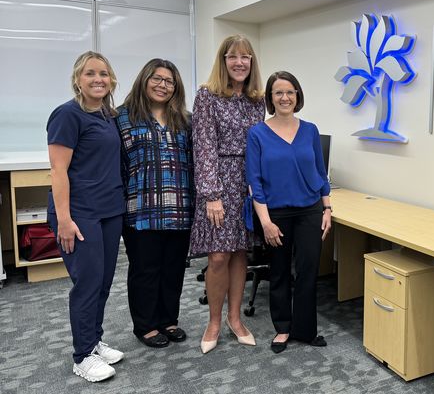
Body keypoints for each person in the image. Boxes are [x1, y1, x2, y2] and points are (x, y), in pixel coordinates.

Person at [47, 51, 125, 382]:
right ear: (78, 79)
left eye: (104, 74)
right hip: (79, 213)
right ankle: (82, 357)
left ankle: (93, 340)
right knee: (87, 283)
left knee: (104, 282)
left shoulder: (108, 115)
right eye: (91, 73)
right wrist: (64, 219)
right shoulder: (67, 115)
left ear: (112, 80)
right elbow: (58, 171)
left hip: (108, 210)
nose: (98, 79)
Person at [245, 71, 332, 354]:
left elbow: (320, 172)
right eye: (279, 92)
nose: (285, 97)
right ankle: (283, 329)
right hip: (277, 214)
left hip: (310, 210)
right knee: (280, 272)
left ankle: (305, 330)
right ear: (271, 98)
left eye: (290, 92)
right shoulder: (258, 133)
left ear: (298, 96)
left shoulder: (310, 130)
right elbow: (254, 181)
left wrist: (327, 207)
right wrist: (265, 222)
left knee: (308, 271)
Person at [190, 35, 265, 354]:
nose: (239, 62)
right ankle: (214, 322)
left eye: (246, 57)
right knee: (218, 255)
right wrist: (211, 194)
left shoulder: (257, 99)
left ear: (252, 63)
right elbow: (203, 145)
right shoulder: (207, 96)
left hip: (247, 184)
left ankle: (236, 320)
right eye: (233, 57)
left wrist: (259, 186)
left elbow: (262, 144)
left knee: (239, 254)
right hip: (218, 182)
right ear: (223, 61)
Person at [116, 59, 194, 348]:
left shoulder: (185, 119)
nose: (163, 85)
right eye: (157, 78)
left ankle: (168, 320)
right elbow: (117, 166)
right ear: (144, 80)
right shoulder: (122, 117)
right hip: (140, 210)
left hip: (179, 208)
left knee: (173, 268)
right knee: (145, 269)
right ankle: (146, 325)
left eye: (169, 81)